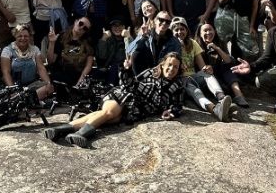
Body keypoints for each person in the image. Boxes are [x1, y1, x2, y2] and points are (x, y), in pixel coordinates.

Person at [43, 52, 186, 148]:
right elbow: (129, 84)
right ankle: (81, 134)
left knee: (107, 119)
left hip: (134, 111)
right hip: (123, 96)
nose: (171, 69)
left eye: (175, 66)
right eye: (169, 64)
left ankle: (59, 130)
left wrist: (171, 112)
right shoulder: (151, 73)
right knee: (109, 113)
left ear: (179, 69)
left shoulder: (178, 85)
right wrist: (126, 70)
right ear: (163, 64)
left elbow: (178, 105)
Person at [170, 17, 232, 121]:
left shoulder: (193, 43)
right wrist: (178, 47)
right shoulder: (170, 45)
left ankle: (222, 98)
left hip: (194, 76)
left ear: (187, 30)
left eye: (182, 29)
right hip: (181, 80)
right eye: (176, 30)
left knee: (207, 74)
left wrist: (207, 68)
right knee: (196, 92)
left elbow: (202, 65)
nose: (180, 32)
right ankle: (215, 110)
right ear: (172, 32)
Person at [198, 22, 250, 109]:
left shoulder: (219, 42)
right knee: (223, 85)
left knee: (227, 67)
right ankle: (224, 99)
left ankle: (239, 95)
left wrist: (217, 48)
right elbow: (201, 68)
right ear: (200, 34)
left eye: (210, 30)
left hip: (219, 73)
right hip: (207, 76)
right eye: (205, 31)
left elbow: (228, 60)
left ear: (214, 31)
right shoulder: (196, 45)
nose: (208, 33)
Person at [0, 24, 54, 105]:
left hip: (31, 85)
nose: (23, 38)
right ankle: (28, 100)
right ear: (15, 36)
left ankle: (23, 101)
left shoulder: (35, 49)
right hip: (14, 86)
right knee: (13, 95)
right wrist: (12, 90)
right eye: (20, 36)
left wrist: (48, 83)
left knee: (49, 88)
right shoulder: (7, 50)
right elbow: (5, 72)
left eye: (26, 36)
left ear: (30, 37)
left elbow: (41, 68)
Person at [126, 11, 181, 75]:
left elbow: (177, 60)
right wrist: (142, 36)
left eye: (167, 22)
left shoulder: (174, 41)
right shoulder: (146, 34)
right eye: (161, 20)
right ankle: (139, 80)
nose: (164, 23)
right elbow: (129, 51)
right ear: (155, 20)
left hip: (164, 73)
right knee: (136, 53)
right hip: (146, 72)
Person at [45, 16, 95, 86]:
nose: (81, 28)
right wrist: (52, 43)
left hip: (77, 78)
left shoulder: (89, 43)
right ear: (75, 21)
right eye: (81, 23)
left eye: (85, 28)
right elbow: (50, 61)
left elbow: (88, 65)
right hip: (59, 76)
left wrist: (80, 81)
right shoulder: (61, 36)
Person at [95, 18, 130, 84]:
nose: (117, 28)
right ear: (111, 28)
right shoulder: (108, 39)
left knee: (114, 68)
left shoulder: (128, 37)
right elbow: (102, 56)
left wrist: (128, 37)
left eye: (120, 25)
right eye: (114, 26)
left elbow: (130, 53)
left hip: (123, 68)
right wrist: (103, 39)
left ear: (124, 27)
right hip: (107, 67)